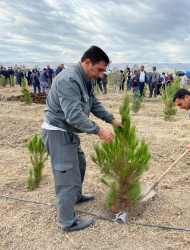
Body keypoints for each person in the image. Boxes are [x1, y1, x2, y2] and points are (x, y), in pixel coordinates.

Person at [41, 45, 123, 232]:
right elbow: (74, 116)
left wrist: (112, 119)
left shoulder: (86, 79)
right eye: (99, 69)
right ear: (87, 62)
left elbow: (93, 103)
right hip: (58, 132)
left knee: (79, 165)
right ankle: (68, 221)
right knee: (67, 175)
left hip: (68, 132)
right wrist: (99, 131)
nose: (101, 75)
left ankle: (76, 196)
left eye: (104, 70)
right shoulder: (69, 79)